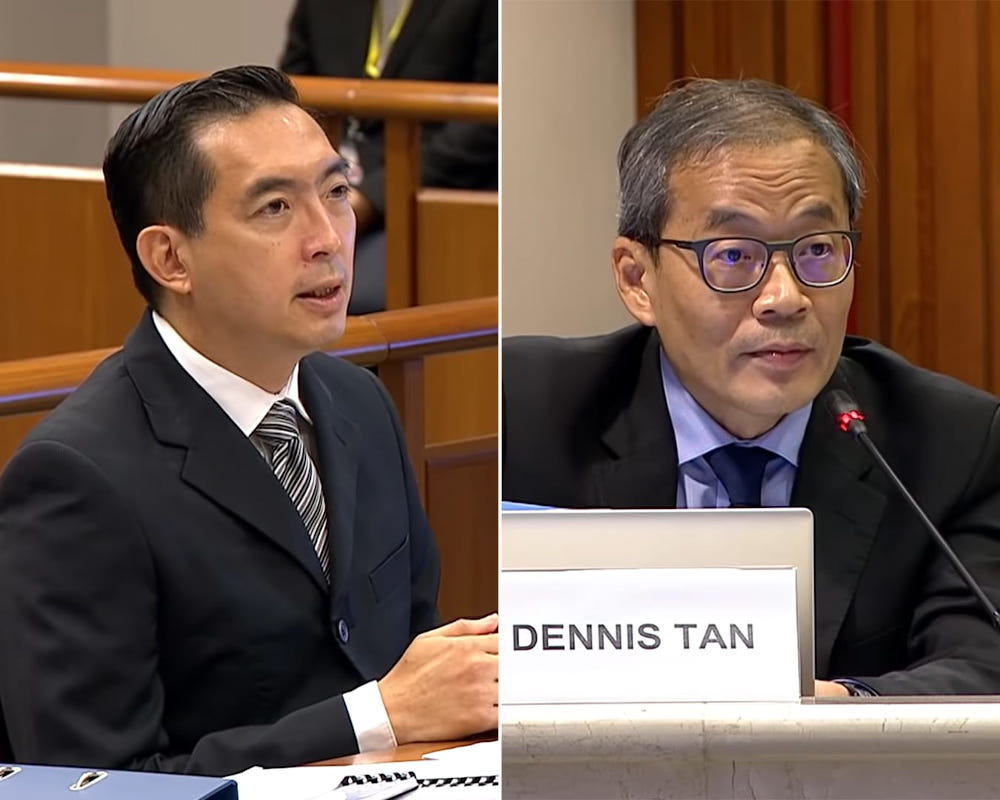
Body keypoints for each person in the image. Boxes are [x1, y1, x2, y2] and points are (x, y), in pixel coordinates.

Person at [0, 65, 497, 775]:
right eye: (275, 209)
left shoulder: (360, 402)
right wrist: (374, 717)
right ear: (170, 257)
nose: (328, 237)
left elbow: (418, 668)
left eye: (336, 192)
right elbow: (92, 782)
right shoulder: (76, 478)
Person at [502, 78, 1000, 697]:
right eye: (734, 256)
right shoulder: (522, 413)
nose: (786, 298)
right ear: (637, 279)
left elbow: (983, 669)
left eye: (818, 249)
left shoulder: (955, 443)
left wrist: (811, 712)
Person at [280, 0, 498, 314]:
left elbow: (484, 127)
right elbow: (291, 98)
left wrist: (370, 196)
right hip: (320, 186)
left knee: (348, 294)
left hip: (426, 196)